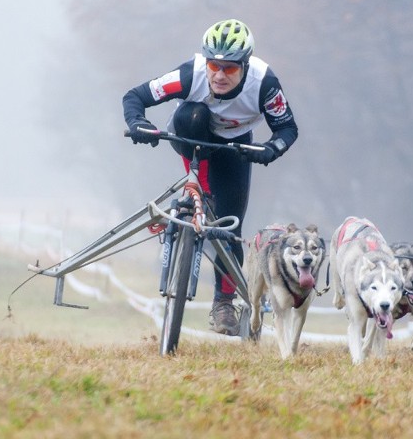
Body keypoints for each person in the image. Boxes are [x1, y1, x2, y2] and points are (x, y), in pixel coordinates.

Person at [122, 19, 298, 336]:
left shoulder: (264, 83)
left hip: (234, 149)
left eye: (229, 69)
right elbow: (135, 96)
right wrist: (138, 124)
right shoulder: (191, 74)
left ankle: (224, 302)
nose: (219, 75)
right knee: (193, 113)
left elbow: (287, 129)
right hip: (190, 135)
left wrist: (270, 149)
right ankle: (198, 191)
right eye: (214, 65)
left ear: (245, 66)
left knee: (229, 228)